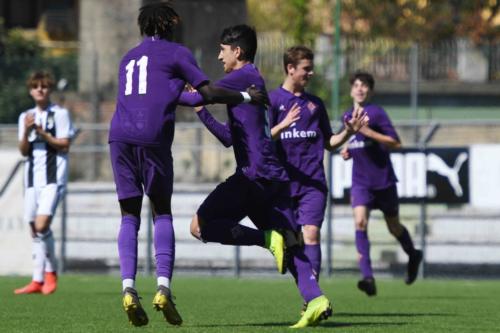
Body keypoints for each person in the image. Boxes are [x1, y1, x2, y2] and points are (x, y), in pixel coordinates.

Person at [108, 2, 268, 328]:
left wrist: (196, 99)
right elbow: (206, 92)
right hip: (151, 138)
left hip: (118, 137)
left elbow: (182, 96)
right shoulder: (177, 53)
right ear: (169, 25)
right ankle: (163, 288)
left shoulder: (128, 58)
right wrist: (249, 97)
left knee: (128, 214)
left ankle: (128, 289)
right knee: (161, 212)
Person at [180, 24, 332, 328]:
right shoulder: (247, 83)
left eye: (222, 50)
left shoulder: (243, 76)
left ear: (237, 51)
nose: (219, 56)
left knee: (200, 227)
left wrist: (165, 92)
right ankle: (316, 299)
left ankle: (264, 239)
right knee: (291, 243)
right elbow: (228, 137)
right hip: (272, 176)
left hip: (254, 175)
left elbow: (204, 93)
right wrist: (201, 112)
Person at [268, 46, 368, 310]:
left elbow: (330, 142)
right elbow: (263, 141)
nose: (310, 73)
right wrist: (283, 124)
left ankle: (311, 299)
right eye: (306, 69)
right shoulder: (273, 101)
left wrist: (347, 132)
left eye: (311, 68)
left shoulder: (315, 105)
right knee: (293, 243)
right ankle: (307, 286)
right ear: (290, 68)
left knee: (311, 236)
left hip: (313, 184)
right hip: (283, 186)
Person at [340, 71, 423, 296]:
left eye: (364, 85)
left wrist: (369, 132)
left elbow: (395, 141)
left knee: (393, 227)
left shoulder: (376, 113)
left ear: (370, 91)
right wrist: (346, 150)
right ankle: (368, 277)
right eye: (356, 85)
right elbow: (348, 140)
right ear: (351, 90)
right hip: (361, 183)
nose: (360, 89)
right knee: (360, 223)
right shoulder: (346, 116)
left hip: (383, 181)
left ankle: (413, 254)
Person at [15, 71, 74, 295]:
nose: (40, 90)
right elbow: (23, 151)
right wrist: (28, 132)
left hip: (53, 179)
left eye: (44, 86)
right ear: (30, 91)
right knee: (34, 230)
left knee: (41, 226)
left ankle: (51, 274)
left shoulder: (59, 114)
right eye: (36, 86)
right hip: (31, 180)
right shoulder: (25, 116)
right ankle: (37, 280)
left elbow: (65, 145)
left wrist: (43, 133)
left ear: (50, 90)